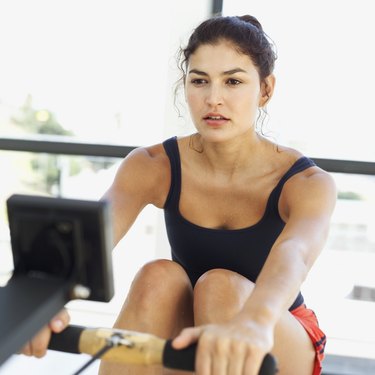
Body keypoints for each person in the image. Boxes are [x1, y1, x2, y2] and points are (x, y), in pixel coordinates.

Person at [21, 14, 336, 375]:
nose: (213, 98)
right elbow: (88, 243)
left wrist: (255, 321)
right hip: (194, 336)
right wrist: (39, 305)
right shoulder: (154, 164)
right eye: (199, 81)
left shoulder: (307, 182)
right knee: (158, 276)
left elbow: (294, 254)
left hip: (272, 335)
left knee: (219, 286)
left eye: (233, 81)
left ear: (265, 89)